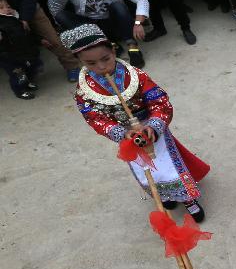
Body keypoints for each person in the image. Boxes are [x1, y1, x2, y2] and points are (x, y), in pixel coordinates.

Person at [63, 24, 208, 220]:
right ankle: (164, 195)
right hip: (127, 136)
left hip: (151, 127)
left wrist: (155, 125)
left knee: (168, 164)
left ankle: (188, 199)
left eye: (106, 59)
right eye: (91, 63)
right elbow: (94, 118)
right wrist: (120, 132)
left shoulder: (135, 75)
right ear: (80, 61)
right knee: (145, 169)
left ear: (114, 50)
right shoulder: (84, 91)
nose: (101, 67)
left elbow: (159, 100)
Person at [0, 0, 81, 82]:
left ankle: (72, 65)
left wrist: (24, 18)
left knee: (52, 40)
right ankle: (24, 76)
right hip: (3, 17)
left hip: (27, 8)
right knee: (9, 48)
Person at [0, 0, 42, 100]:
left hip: (24, 52)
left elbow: (27, 35)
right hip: (9, 56)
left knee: (31, 68)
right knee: (18, 73)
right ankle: (20, 90)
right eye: (1, 8)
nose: (7, 9)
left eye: (8, 6)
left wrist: (39, 40)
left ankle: (27, 83)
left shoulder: (15, 19)